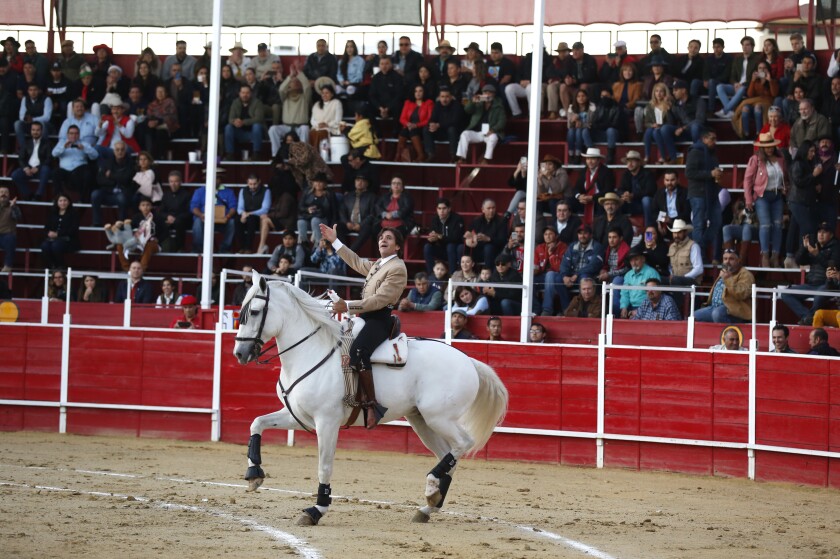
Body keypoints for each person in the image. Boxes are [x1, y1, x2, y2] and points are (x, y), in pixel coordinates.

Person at [320, 223, 408, 429]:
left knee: (358, 351)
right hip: (365, 317)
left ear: (397, 247)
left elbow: (380, 299)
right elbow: (356, 262)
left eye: (388, 238)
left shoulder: (397, 268)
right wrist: (335, 241)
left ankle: (372, 405)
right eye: (380, 238)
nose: (383, 240)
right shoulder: (379, 264)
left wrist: (348, 305)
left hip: (379, 318)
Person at [780, 222, 840, 324]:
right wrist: (804, 247)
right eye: (819, 232)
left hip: (828, 284)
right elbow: (799, 261)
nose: (821, 234)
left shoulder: (836, 247)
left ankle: (809, 318)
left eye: (824, 232)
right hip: (811, 284)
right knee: (785, 293)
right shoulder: (814, 245)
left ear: (831, 235)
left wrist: (817, 254)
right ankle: (808, 316)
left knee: (818, 296)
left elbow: (832, 267)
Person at [743, 133, 787, 268]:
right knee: (766, 225)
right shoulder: (755, 159)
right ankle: (765, 255)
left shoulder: (780, 159)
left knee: (778, 225)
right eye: (766, 147)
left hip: (777, 194)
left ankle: (775, 255)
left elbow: (786, 177)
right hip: (762, 195)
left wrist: (786, 188)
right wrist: (748, 199)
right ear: (761, 148)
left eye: (771, 146)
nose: (769, 149)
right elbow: (748, 180)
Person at [544, 225, 603, 315]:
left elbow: (593, 266)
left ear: (590, 235)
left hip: (588, 276)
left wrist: (577, 274)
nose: (582, 236)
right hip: (572, 276)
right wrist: (564, 276)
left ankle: (583, 310)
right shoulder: (572, 246)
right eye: (580, 233)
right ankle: (566, 309)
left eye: (585, 233)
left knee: (584, 278)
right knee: (557, 279)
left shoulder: (597, 246)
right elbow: (564, 263)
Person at [686, 130, 724, 263]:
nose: (714, 142)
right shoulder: (695, 152)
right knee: (699, 225)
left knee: (717, 222)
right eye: (712, 139)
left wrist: (716, 174)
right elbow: (689, 173)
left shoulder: (712, 153)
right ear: (703, 138)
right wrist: (710, 174)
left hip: (711, 192)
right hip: (697, 193)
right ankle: (699, 257)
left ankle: (699, 243)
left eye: (715, 139)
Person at [695, 248, 755, 323]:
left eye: (731, 259)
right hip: (714, 307)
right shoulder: (724, 272)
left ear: (738, 260)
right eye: (725, 259)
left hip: (734, 310)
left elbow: (741, 294)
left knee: (717, 314)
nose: (727, 262)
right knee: (694, 316)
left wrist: (728, 279)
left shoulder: (746, 274)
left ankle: (727, 334)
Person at [456, 84, 506, 164]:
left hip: (489, 132)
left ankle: (486, 159)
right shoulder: (478, 103)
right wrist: (472, 102)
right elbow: (467, 110)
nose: (487, 94)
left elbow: (502, 122)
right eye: (485, 92)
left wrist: (493, 130)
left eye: (490, 92)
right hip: (477, 131)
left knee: (494, 137)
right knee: (464, 134)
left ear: (494, 94)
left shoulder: (498, 106)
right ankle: (462, 158)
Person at [715, 36, 762, 119]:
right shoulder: (737, 59)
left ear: (752, 46)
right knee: (719, 87)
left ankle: (725, 110)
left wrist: (742, 84)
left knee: (742, 88)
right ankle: (731, 111)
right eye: (743, 45)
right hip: (736, 86)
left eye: (747, 45)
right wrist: (735, 83)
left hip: (748, 86)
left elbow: (756, 77)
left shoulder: (757, 59)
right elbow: (732, 75)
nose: (744, 47)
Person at [51, 124, 98, 202]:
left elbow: (95, 156)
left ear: (79, 135)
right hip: (65, 171)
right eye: (71, 133)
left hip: (79, 171)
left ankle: (84, 199)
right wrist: (64, 147)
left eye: (76, 133)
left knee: (87, 170)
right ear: (67, 134)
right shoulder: (62, 143)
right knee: (55, 172)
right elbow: (53, 154)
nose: (74, 135)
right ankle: (58, 198)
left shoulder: (84, 144)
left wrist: (85, 149)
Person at [573, 148, 615, 226]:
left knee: (603, 204)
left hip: (599, 200)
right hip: (585, 200)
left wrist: (592, 197)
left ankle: (599, 229)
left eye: (592, 159)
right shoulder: (583, 171)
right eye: (588, 159)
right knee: (569, 202)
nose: (590, 161)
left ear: (598, 160)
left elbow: (608, 190)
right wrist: (579, 196)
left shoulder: (606, 172)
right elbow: (576, 188)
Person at [190, 183, 236, 253]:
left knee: (232, 223)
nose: (215, 179)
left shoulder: (229, 191)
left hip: (223, 221)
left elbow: (233, 207)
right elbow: (193, 207)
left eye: (217, 177)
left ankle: (224, 249)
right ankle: (199, 248)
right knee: (197, 222)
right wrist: (201, 215)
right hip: (204, 221)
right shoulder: (199, 191)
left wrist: (228, 216)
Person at [11, 120, 51, 200]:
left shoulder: (47, 143)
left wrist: (38, 167)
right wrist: (26, 168)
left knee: (46, 169)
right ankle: (28, 195)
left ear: (41, 131)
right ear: (30, 131)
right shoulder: (26, 143)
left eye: (37, 130)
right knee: (15, 175)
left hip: (40, 169)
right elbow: (21, 158)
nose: (35, 132)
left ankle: (38, 195)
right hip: (28, 168)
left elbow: (49, 159)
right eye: (33, 130)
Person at [423, 86, 465, 163]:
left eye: (447, 97)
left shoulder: (457, 106)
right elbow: (432, 118)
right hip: (440, 132)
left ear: (451, 97)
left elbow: (455, 121)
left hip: (453, 134)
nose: (444, 99)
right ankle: (430, 154)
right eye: (442, 97)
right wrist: (432, 124)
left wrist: (439, 125)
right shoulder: (437, 105)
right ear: (439, 97)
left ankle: (454, 156)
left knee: (451, 129)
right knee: (426, 129)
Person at [337, 174, 377, 253]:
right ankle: (344, 251)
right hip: (349, 224)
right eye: (357, 180)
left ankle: (351, 252)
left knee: (368, 228)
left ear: (367, 184)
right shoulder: (348, 196)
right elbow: (341, 211)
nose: (359, 182)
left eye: (362, 181)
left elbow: (372, 214)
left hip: (362, 225)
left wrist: (360, 225)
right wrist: (346, 222)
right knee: (337, 226)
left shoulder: (372, 197)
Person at [424, 197, 464, 275]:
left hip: (454, 250)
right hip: (441, 249)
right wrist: (431, 239)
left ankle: (452, 275)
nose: (441, 211)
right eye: (439, 208)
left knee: (450, 246)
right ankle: (432, 275)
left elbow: (457, 238)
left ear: (449, 209)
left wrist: (441, 237)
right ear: (436, 209)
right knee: (427, 247)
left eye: (444, 208)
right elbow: (432, 234)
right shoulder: (435, 219)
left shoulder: (457, 219)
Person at [461, 198, 507, 266]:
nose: (491, 210)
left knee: (488, 247)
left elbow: (503, 240)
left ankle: (488, 272)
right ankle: (462, 272)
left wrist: (488, 239)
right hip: (477, 249)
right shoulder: (476, 221)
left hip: (494, 250)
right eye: (488, 208)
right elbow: (467, 235)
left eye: (493, 208)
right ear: (483, 209)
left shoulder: (501, 221)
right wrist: (467, 239)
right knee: (460, 247)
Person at [618, 245, 661, 318]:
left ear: (643, 259)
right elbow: (624, 293)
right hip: (631, 308)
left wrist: (640, 310)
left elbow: (655, 296)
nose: (634, 263)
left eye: (636, 259)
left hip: (649, 309)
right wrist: (624, 307)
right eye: (631, 260)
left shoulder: (652, 273)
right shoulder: (628, 275)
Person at [616, 150, 656, 227]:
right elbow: (620, 189)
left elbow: (650, 191)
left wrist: (633, 195)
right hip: (631, 203)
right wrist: (624, 194)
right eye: (628, 162)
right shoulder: (626, 174)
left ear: (639, 162)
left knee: (646, 200)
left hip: (643, 204)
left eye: (632, 161)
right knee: (616, 200)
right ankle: (617, 230)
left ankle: (648, 228)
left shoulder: (648, 174)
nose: (630, 164)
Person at [224, 84, 264, 160]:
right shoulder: (235, 102)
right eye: (243, 93)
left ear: (251, 93)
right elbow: (230, 119)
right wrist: (235, 121)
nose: (245, 95)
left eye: (247, 93)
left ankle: (256, 153)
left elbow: (259, 118)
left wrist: (243, 122)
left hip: (253, 133)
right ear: (239, 93)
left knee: (257, 126)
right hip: (239, 132)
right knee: (228, 127)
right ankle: (230, 154)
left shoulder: (257, 102)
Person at [40, 194, 79, 269]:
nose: (63, 203)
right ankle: (51, 266)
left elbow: (73, 230)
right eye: (60, 201)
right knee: (44, 246)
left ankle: (61, 266)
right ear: (57, 202)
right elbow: (46, 228)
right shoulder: (53, 213)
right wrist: (49, 233)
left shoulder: (74, 214)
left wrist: (58, 234)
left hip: (68, 239)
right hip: (52, 239)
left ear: (69, 202)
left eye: (65, 200)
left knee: (56, 245)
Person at [396, 85, 433, 162]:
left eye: (420, 91)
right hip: (409, 126)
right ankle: (398, 154)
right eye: (416, 91)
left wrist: (416, 125)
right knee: (403, 132)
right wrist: (408, 124)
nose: (418, 93)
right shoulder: (408, 102)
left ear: (424, 92)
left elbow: (429, 119)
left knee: (413, 131)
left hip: (422, 127)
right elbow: (402, 118)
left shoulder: (429, 103)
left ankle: (421, 155)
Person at [297, 173, 336, 245]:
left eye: (320, 182)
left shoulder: (329, 194)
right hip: (308, 217)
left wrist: (332, 227)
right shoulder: (307, 192)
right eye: (316, 182)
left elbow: (333, 211)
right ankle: (303, 244)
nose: (318, 184)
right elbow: (300, 207)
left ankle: (318, 244)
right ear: (313, 183)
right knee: (301, 222)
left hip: (323, 219)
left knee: (315, 220)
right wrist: (307, 209)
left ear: (325, 184)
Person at [158, 170, 192, 252]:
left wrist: (175, 218)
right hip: (168, 220)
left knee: (179, 222)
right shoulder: (166, 195)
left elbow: (189, 212)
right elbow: (161, 211)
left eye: (176, 181)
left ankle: (180, 248)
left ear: (180, 182)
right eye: (171, 181)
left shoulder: (186, 195)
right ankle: (164, 247)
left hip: (182, 220)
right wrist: (167, 216)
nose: (173, 184)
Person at [237, 175, 271, 253]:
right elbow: (240, 207)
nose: (252, 186)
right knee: (237, 220)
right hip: (245, 215)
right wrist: (243, 214)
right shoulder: (243, 190)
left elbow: (265, 209)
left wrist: (250, 213)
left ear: (259, 182)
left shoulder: (266, 191)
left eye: (255, 184)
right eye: (250, 184)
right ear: (247, 183)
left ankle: (248, 248)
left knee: (251, 220)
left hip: (258, 216)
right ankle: (242, 247)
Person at [667, 219, 703, 287]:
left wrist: (683, 277)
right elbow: (670, 266)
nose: (676, 235)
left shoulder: (693, 246)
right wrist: (671, 274)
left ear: (685, 232)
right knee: (658, 280)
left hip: (691, 281)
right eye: (674, 233)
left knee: (675, 280)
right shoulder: (671, 246)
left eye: (679, 232)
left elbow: (699, 268)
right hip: (676, 280)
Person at [0, 186, 20, 272]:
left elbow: (18, 217)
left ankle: (8, 265)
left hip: (6, 235)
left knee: (10, 239)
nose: (3, 194)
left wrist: (13, 207)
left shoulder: (13, 207)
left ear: (9, 195)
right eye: (1, 192)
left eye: (6, 192)